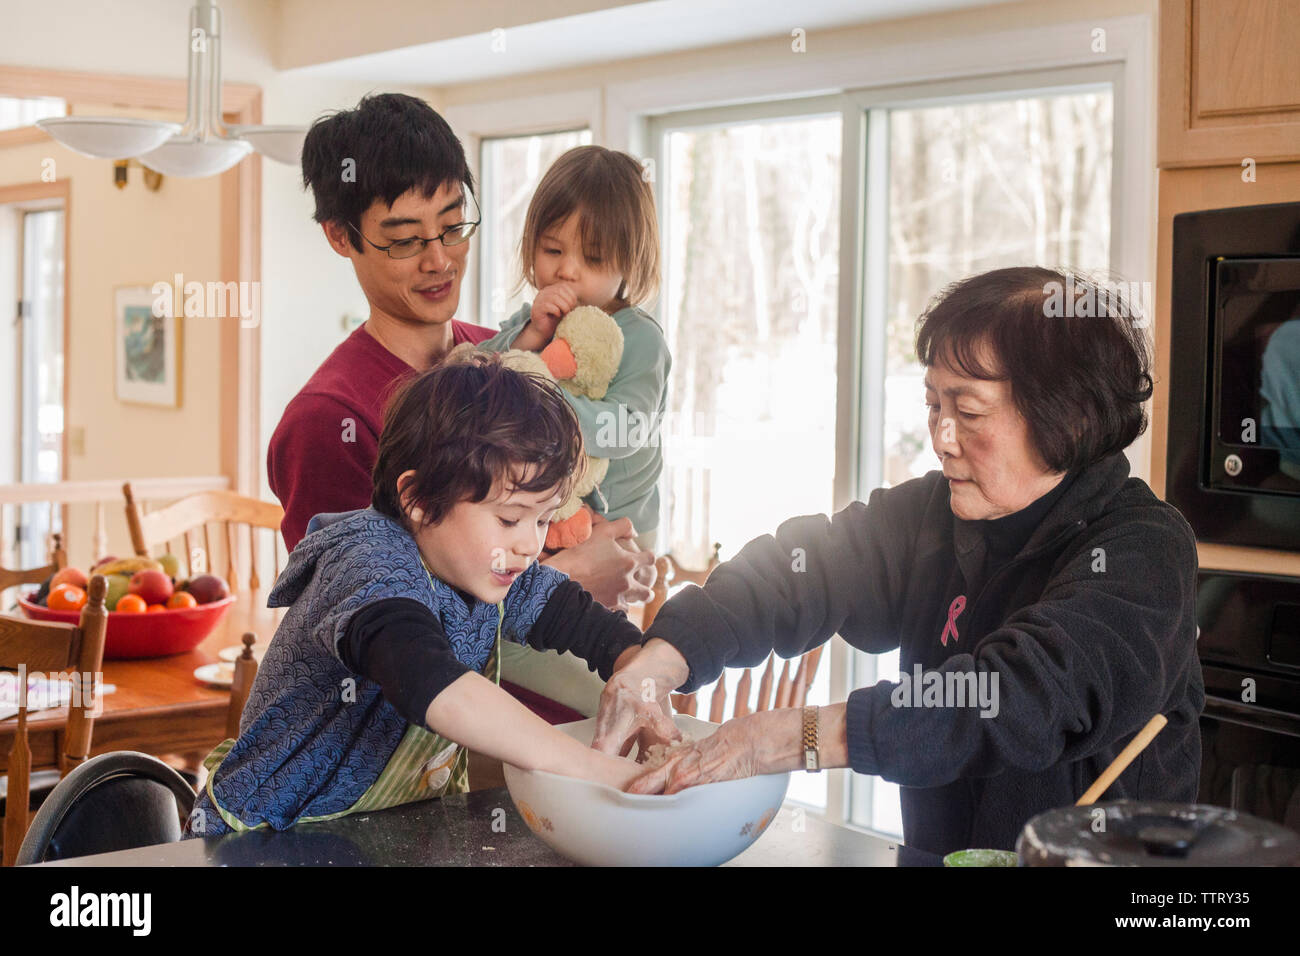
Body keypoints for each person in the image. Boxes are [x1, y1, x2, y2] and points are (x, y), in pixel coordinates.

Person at [594, 267, 1205, 857]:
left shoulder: (1144, 550)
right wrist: (662, 660)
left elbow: (1018, 696)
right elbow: (798, 571)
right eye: (933, 405)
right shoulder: (932, 514)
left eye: (968, 412)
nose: (940, 435)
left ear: (1067, 418)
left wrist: (788, 737)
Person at [265, 93, 655, 720]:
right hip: (447, 765)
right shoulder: (326, 421)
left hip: (571, 731)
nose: (439, 260)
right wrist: (575, 581)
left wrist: (621, 565)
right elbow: (370, 642)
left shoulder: (513, 358)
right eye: (405, 239)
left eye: (452, 226)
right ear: (341, 236)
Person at [186, 355, 647, 837]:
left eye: (543, 518)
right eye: (510, 519)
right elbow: (430, 684)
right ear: (420, 500)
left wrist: (642, 672)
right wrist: (590, 768)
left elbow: (579, 621)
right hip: (264, 837)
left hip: (374, 835)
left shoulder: (484, 564)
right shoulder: (366, 563)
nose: (530, 543)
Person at [478, 145, 670, 554]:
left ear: (630, 265)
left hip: (622, 522)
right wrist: (531, 335)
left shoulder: (640, 338)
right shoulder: (535, 317)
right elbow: (476, 376)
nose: (567, 269)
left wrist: (539, 397)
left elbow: (626, 429)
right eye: (552, 250)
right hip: (546, 517)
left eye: (594, 258)